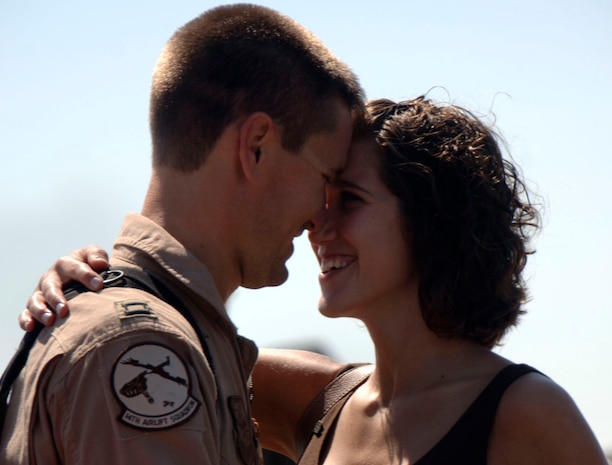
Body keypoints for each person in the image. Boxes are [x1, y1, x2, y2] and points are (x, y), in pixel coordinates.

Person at [22, 97, 608, 464]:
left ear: (433, 224)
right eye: (320, 198)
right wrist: (96, 286)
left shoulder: (526, 413)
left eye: (347, 200)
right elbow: (150, 340)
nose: (315, 226)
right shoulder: (318, 399)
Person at [0, 3, 365, 464]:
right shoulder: (139, 345)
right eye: (324, 177)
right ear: (256, 148)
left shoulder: (157, 332)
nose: (321, 216)